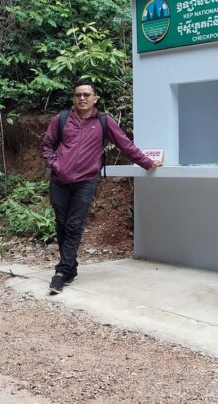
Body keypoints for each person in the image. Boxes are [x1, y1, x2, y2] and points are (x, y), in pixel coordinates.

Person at [41, 78, 161, 294]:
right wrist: (53, 163)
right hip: (59, 181)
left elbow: (125, 144)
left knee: (74, 225)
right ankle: (71, 268)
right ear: (73, 98)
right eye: (78, 94)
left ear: (95, 98)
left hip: (86, 181)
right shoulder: (61, 119)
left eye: (87, 94)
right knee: (61, 223)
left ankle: (60, 272)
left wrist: (147, 162)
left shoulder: (104, 121)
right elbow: (47, 145)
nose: (82, 98)